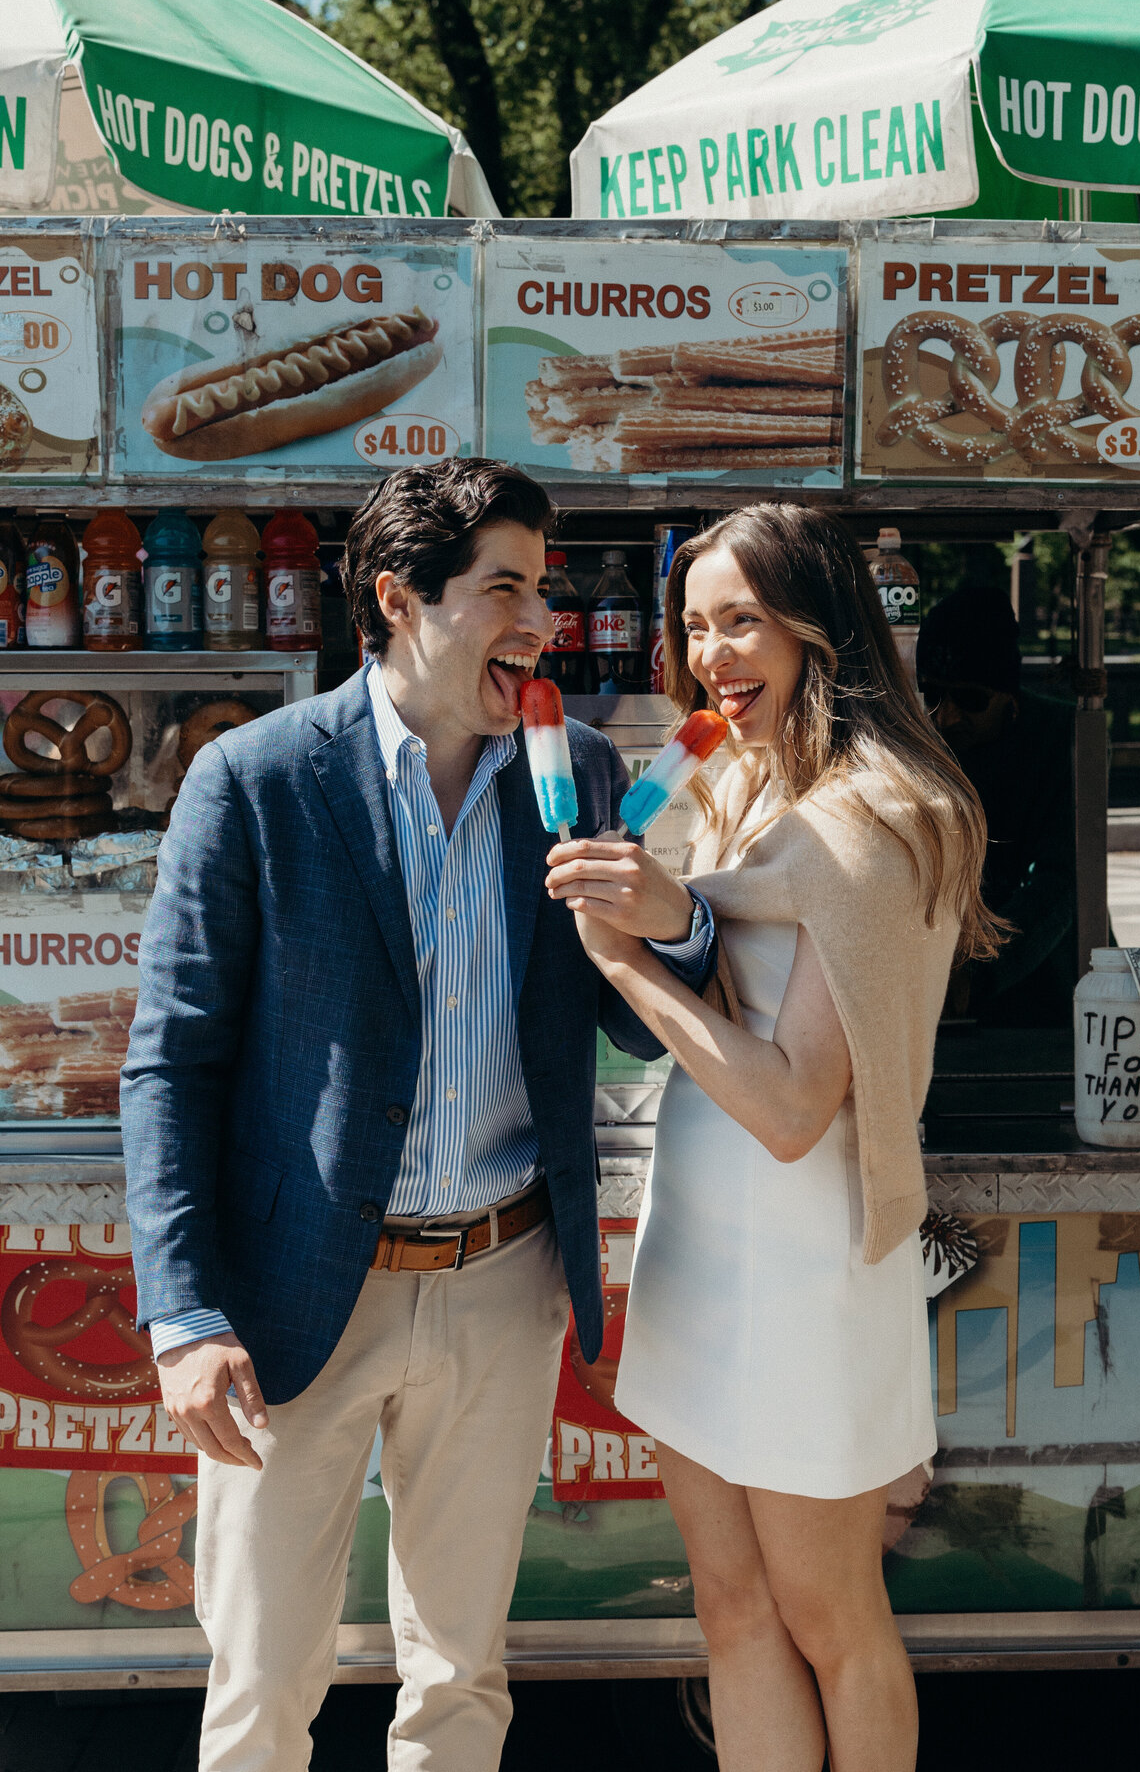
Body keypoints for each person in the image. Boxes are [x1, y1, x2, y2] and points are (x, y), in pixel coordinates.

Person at [120, 459, 716, 1772]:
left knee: (460, 1675)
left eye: (544, 590)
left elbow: (632, 1022)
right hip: (294, 1294)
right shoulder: (259, 779)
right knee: (266, 1677)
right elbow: (172, 1062)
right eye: (506, 587)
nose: (541, 621)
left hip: (504, 1276)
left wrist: (674, 922)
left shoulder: (585, 771)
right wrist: (184, 1315)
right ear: (399, 598)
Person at [544, 505, 1000, 1772]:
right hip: (701, 1238)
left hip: (803, 1266)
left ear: (821, 623)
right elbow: (701, 922)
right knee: (730, 1610)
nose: (712, 656)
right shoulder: (736, 784)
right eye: (695, 627)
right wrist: (654, 891)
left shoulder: (871, 821)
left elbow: (798, 1108)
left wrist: (628, 963)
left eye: (743, 619)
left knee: (834, 1619)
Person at [916, 584, 1076, 1027]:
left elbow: (1062, 878)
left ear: (1010, 696)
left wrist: (982, 975)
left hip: (1043, 973)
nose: (946, 717)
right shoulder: (918, 733)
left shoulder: (1061, 736)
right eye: (933, 695)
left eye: (970, 699)